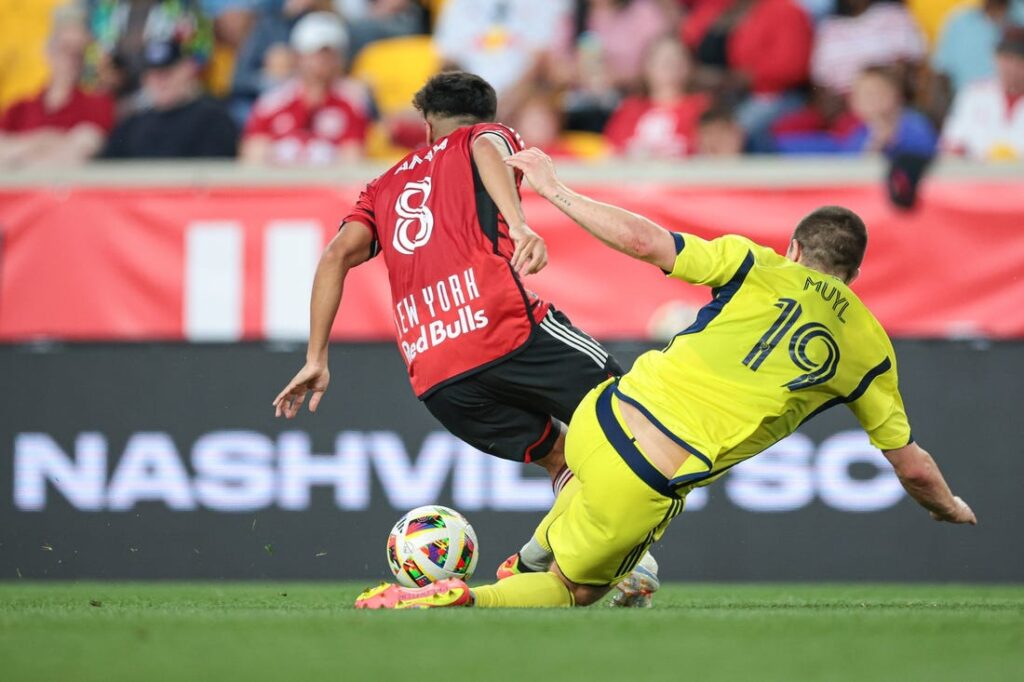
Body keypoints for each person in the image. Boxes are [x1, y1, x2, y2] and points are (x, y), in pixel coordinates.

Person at [355, 147, 977, 610]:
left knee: (584, 497)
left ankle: (538, 553)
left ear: (794, 247)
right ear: (854, 274)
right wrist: (947, 507)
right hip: (652, 473)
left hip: (600, 414)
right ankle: (462, 599)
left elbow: (650, 243)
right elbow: (911, 465)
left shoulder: (754, 263)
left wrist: (557, 190)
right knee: (575, 592)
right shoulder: (868, 346)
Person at [272, 72, 657, 605]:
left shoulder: (381, 187)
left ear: (426, 121)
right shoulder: (484, 136)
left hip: (436, 374)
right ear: (486, 114)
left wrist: (317, 355)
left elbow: (336, 254)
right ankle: (595, 561)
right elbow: (487, 147)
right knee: (638, 415)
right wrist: (518, 224)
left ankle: (560, 558)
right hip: (503, 330)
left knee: (562, 458)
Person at [240, 11, 371, 165]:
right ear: (298, 56)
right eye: (316, 53)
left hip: (330, 186)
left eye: (330, 54)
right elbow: (252, 161)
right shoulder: (271, 103)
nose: (323, 61)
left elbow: (352, 161)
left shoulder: (352, 104)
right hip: (277, 186)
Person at [0, 5, 115, 168]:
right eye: (65, 49)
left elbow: (79, 154)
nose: (71, 59)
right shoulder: (18, 108)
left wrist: (23, 150)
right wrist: (48, 140)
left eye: (78, 52)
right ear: (49, 51)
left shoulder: (99, 104)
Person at [103, 39, 238, 158]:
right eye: (153, 75)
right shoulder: (133, 124)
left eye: (168, 73)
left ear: (187, 71)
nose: (160, 81)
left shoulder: (213, 119)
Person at [773, 66, 937, 156]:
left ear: (897, 95)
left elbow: (926, 154)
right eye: (860, 94)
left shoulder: (914, 124)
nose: (867, 99)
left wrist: (890, 143)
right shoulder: (860, 133)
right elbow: (850, 163)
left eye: (873, 92)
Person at [603, 36, 709, 159]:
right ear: (647, 67)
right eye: (663, 61)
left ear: (689, 66)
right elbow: (612, 150)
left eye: (676, 60)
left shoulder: (701, 108)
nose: (670, 67)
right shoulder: (630, 109)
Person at [941, 26, 1024, 161]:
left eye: (1020, 60)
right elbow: (951, 142)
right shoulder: (973, 94)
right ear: (995, 58)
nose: (1013, 67)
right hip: (976, 175)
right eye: (1007, 58)